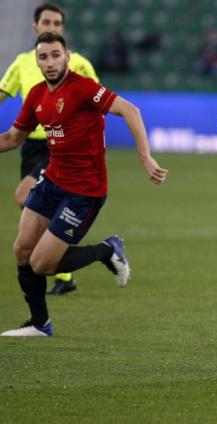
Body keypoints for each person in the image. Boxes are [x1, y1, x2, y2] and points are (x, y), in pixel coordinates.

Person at [0, 32, 167, 337]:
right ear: (37, 60)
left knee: (42, 264)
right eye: (43, 57)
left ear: (67, 56)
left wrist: (146, 158)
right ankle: (40, 324)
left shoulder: (83, 89)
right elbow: (13, 138)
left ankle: (107, 250)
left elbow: (130, 110)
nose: (49, 62)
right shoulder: (37, 94)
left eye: (55, 55)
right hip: (51, 181)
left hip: (83, 192)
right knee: (22, 250)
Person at [0, 2, 99, 295]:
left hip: (59, 147)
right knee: (32, 209)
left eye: (57, 24)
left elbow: (97, 101)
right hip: (29, 146)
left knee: (24, 198)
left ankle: (61, 261)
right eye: (47, 22)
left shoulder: (78, 63)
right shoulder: (21, 63)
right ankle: (63, 272)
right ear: (35, 26)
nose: (52, 28)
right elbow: (3, 93)